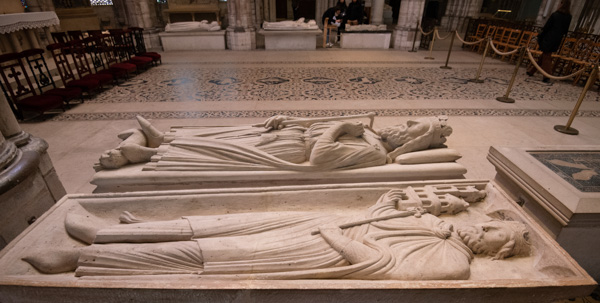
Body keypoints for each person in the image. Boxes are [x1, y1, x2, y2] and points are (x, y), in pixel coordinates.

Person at [23, 188, 531, 279]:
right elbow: (379, 213)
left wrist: (334, 237)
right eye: (489, 220)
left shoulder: (454, 263)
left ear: (499, 252)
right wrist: (396, 202)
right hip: (310, 227)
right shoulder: (432, 224)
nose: (481, 225)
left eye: (492, 233)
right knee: (224, 222)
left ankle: (85, 261)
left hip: (315, 253)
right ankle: (106, 233)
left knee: (213, 252)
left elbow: (381, 268)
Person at [96, 114, 454, 172]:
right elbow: (318, 127)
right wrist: (287, 118)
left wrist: (343, 126)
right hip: (289, 133)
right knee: (228, 134)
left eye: (410, 127)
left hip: (290, 151)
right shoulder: (372, 133)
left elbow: (321, 156)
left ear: (416, 139)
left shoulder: (375, 152)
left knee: (216, 152)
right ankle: (167, 138)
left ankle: (146, 153)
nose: (401, 125)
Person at [527, 0, 572, 83]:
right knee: (545, 55)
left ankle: (547, 76)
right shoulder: (568, 16)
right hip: (558, 39)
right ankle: (531, 71)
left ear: (562, 4)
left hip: (549, 37)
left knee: (547, 56)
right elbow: (565, 30)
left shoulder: (555, 15)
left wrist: (541, 36)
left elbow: (547, 27)